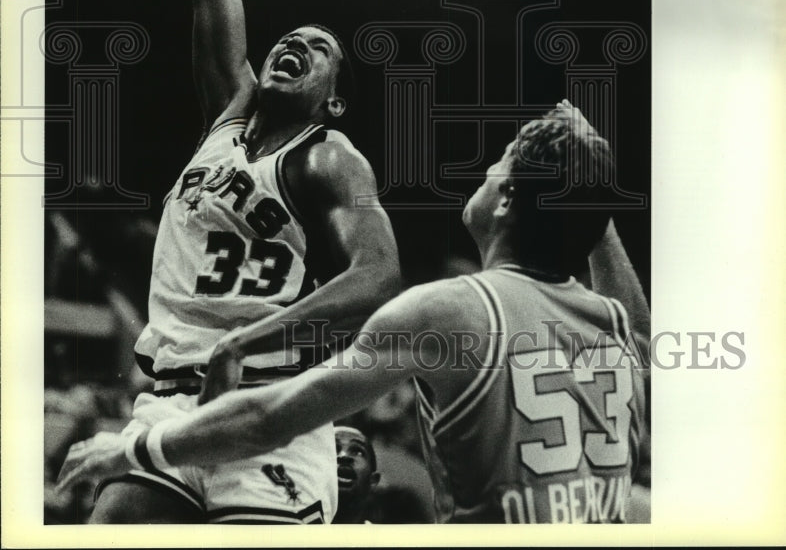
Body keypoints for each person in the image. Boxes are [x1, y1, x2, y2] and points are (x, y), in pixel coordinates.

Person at [83, 0, 400, 525]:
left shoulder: (332, 157)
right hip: (171, 404)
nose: (295, 44)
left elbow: (378, 279)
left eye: (319, 50)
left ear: (333, 97)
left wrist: (247, 346)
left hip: (272, 409)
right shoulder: (229, 113)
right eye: (289, 39)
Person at [59, 101, 649, 524]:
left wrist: (138, 448)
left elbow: (276, 415)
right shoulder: (618, 331)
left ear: (508, 200)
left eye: (496, 168)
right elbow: (639, 329)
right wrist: (586, 192)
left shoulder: (450, 311)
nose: (487, 175)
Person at [333, 425, 379, 523]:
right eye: (333, 449)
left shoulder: (385, 538)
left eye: (358, 452)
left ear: (373, 481)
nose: (344, 456)